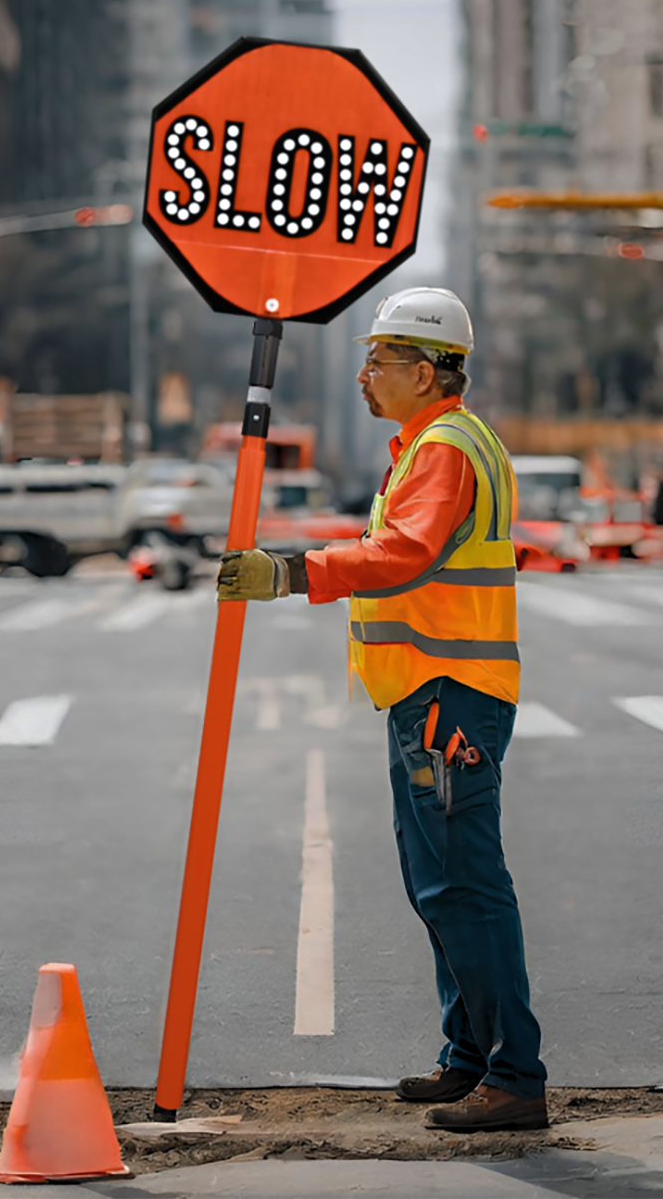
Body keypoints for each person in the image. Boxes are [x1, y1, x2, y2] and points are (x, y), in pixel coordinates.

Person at [217, 286, 547, 1133]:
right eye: (368, 358)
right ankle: (470, 1059)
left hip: (448, 698)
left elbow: (404, 555)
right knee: (438, 885)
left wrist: (292, 572)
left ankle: (513, 1075)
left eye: (384, 359)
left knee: (463, 886)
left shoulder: (443, 447)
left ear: (434, 372)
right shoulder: (428, 444)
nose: (367, 373)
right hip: (427, 693)